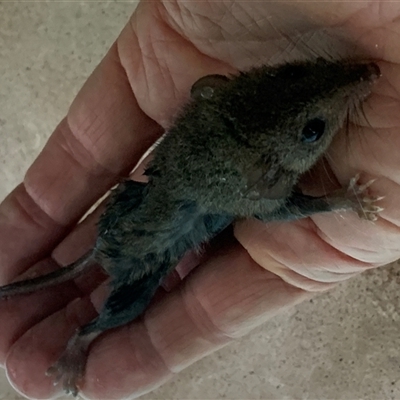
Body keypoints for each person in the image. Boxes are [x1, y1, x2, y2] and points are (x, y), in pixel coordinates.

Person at [0, 1, 399, 398]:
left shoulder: (218, 123)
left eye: (293, 74)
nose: (361, 77)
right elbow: (285, 207)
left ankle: (89, 274)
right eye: (313, 130)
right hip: (145, 257)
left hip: (134, 211)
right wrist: (344, 200)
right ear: (266, 177)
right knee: (128, 305)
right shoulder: (254, 192)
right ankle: (81, 341)